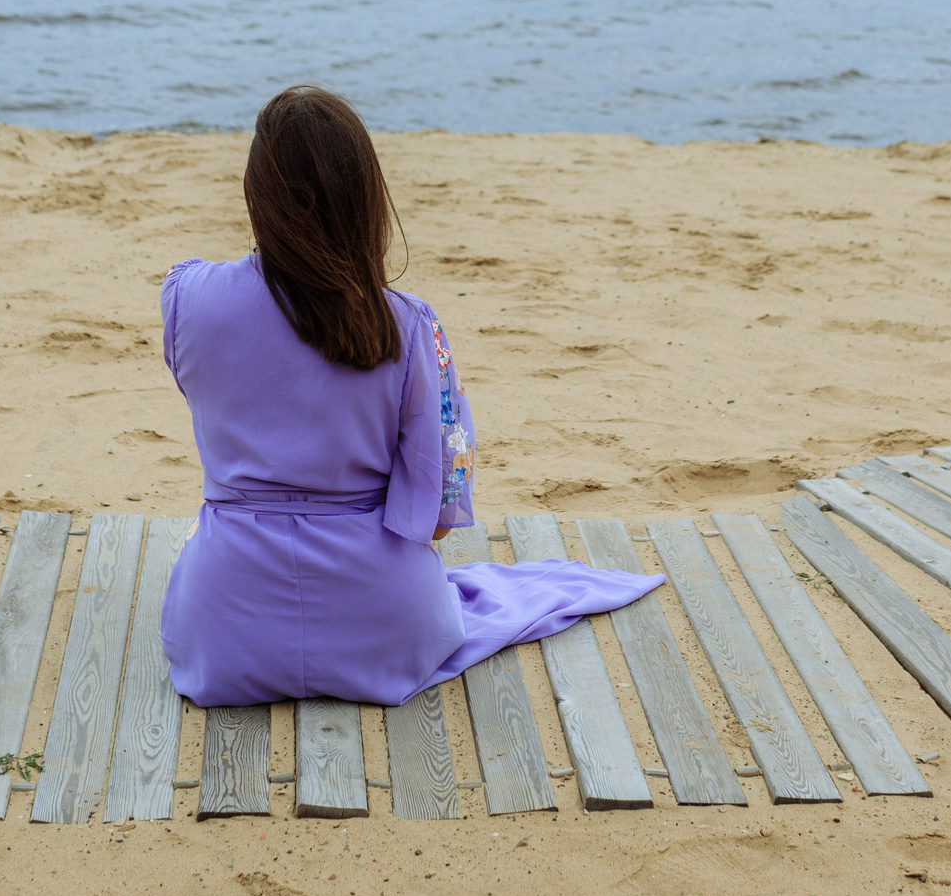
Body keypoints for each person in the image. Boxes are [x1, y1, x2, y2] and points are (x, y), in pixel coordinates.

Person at [158, 84, 661, 707]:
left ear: (250, 194)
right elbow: (442, 515)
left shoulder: (188, 300)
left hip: (226, 626)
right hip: (384, 624)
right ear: (369, 202)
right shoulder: (411, 327)